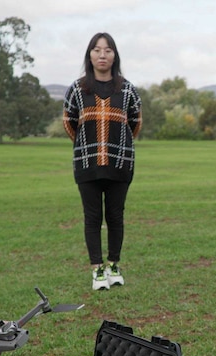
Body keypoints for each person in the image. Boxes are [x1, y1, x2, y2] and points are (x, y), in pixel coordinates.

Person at [63, 32, 142, 291]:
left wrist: (118, 148)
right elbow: (69, 123)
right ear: (89, 55)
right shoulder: (77, 89)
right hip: (87, 165)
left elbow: (135, 123)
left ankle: (114, 265)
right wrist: (89, 147)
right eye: (97, 50)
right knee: (92, 217)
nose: (102, 55)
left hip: (121, 164)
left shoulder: (128, 90)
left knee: (116, 216)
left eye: (107, 50)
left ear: (115, 55)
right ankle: (97, 270)